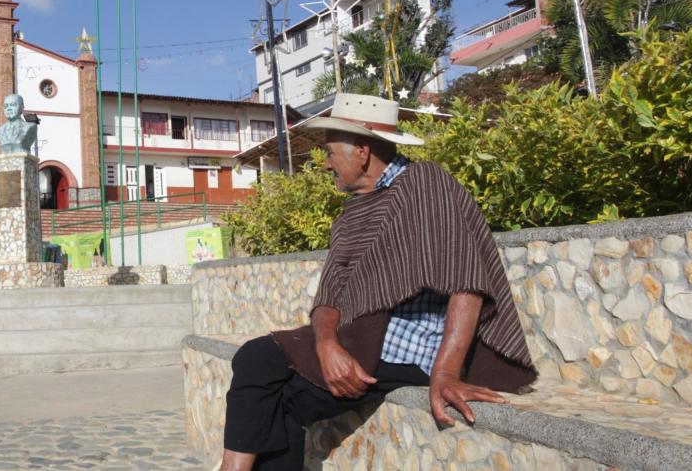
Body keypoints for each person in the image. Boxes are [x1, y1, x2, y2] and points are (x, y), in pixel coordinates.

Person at [219, 94, 537, 471]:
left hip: (411, 353)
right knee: (278, 404)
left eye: (331, 152)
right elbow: (329, 297)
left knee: (256, 356)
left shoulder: (425, 183)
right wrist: (325, 343)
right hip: (362, 343)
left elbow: (465, 278)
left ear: (362, 151)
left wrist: (447, 372)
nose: (325, 164)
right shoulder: (351, 214)